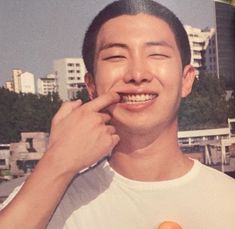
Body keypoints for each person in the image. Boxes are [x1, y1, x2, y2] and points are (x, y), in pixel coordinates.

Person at [0, 0, 235, 228]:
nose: (137, 74)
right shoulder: (50, 197)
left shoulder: (228, 199)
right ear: (91, 85)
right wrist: (57, 162)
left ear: (186, 80)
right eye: (116, 57)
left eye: (156, 54)